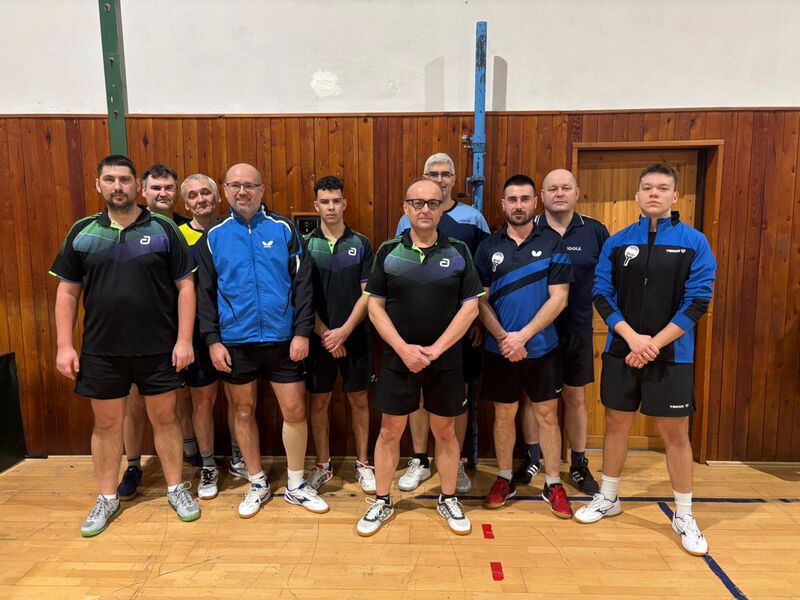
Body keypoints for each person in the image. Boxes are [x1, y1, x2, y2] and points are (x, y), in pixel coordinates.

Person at [52, 154, 200, 537]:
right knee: (106, 425)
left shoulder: (164, 229)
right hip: (102, 351)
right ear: (98, 185)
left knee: (166, 419)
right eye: (110, 179)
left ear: (137, 186)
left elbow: (186, 287)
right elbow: (67, 292)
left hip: (159, 349)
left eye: (124, 179)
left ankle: (175, 488)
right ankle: (107, 497)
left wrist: (184, 340)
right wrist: (64, 346)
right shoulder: (83, 231)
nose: (117, 186)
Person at [575, 163, 716, 557]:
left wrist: (654, 343)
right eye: (648, 187)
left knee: (676, 434)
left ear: (675, 196)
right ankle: (609, 497)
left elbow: (698, 300)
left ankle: (684, 514)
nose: (654, 193)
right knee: (617, 425)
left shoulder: (694, 242)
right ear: (637, 195)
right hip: (623, 350)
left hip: (672, 356)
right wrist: (633, 339)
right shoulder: (618, 242)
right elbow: (602, 293)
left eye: (663, 188)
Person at [196, 163, 328, 518]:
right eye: (235, 185)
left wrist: (302, 332)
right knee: (242, 411)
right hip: (235, 342)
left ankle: (296, 484)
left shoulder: (283, 229)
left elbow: (303, 285)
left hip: (284, 340)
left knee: (295, 411)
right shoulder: (214, 236)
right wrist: (213, 341)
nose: (243, 192)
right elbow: (204, 293)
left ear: (262, 189)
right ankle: (257, 482)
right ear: (225, 190)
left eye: (250, 185)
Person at [357, 178, 483, 537]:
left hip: (446, 359)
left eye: (432, 203)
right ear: (405, 208)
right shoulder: (388, 251)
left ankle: (447, 498)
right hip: (399, 359)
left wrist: (436, 350)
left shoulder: (459, 250)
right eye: (417, 203)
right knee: (390, 430)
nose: (424, 209)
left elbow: (471, 307)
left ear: (442, 208)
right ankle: (382, 499)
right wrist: (403, 349)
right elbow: (375, 307)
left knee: (445, 430)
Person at [474, 174, 574, 519]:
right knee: (504, 414)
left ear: (536, 202)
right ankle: (504, 478)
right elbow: (480, 301)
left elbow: (559, 299)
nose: (519, 205)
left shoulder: (554, 243)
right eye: (512, 199)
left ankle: (553, 483)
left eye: (525, 199)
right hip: (499, 350)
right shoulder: (488, 247)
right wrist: (505, 338)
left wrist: (523, 336)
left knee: (547, 415)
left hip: (542, 348)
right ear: (503, 204)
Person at [394, 152, 490, 495]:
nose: (439, 179)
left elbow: (481, 276)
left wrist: (478, 318)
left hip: (458, 329)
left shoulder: (473, 218)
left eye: (445, 174)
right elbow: (399, 269)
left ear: (454, 178)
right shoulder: (406, 219)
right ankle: (420, 460)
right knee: (419, 395)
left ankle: (456, 463)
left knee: (454, 398)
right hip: (415, 330)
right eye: (432, 173)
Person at [512, 169, 609, 494]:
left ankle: (578, 463)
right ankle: (532, 457)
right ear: (542, 196)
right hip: (535, 330)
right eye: (552, 189)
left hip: (577, 329)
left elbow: (609, 279)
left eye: (566, 188)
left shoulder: (595, 231)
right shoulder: (529, 229)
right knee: (532, 397)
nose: (559, 193)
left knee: (576, 397)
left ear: (576, 193)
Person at [117, 163, 200, 502]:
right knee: (135, 403)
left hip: (181, 329)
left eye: (169, 188)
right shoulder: (125, 225)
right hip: (137, 333)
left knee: (182, 396)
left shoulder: (187, 228)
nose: (163, 193)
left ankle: (189, 448)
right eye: (156, 188)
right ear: (143, 190)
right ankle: (133, 465)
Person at [304, 176, 376, 494]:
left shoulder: (361, 243)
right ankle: (323, 464)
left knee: (359, 400)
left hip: (355, 337)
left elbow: (368, 295)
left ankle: (363, 464)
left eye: (336, 201)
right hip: (317, 340)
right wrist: (325, 335)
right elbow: (301, 297)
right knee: (318, 402)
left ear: (344, 203)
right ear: (316, 205)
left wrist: (344, 332)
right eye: (325, 202)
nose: (331, 207)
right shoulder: (305, 244)